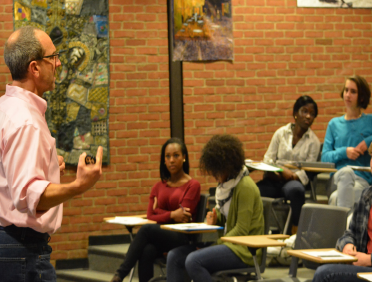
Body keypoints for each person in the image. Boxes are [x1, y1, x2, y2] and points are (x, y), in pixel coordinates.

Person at [0, 26, 103, 282]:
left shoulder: (6, 107)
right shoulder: (27, 121)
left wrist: (48, 166)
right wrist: (79, 185)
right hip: (22, 250)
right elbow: (31, 196)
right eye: (53, 56)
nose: (58, 63)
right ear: (34, 68)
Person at [166, 134, 264, 282]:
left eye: (217, 171)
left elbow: (241, 230)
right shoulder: (226, 186)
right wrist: (216, 218)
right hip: (230, 245)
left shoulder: (245, 187)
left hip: (245, 250)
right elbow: (225, 219)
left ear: (227, 166)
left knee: (193, 260)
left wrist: (214, 245)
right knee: (174, 256)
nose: (214, 175)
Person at [111, 138, 201, 282]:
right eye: (167, 156)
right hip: (162, 237)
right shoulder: (158, 187)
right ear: (163, 160)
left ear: (184, 157)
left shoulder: (193, 185)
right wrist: (172, 214)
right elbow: (150, 215)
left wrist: (159, 211)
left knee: (146, 229)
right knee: (147, 250)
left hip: (181, 237)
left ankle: (120, 275)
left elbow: (183, 217)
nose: (171, 160)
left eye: (176, 155)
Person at [256, 95, 320, 234]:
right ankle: (256, 230)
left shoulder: (313, 142)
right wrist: (280, 171)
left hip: (294, 181)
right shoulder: (281, 133)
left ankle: (295, 233)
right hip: (274, 178)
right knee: (255, 191)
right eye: (305, 111)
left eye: (312, 114)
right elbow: (268, 159)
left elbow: (307, 171)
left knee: (296, 190)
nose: (308, 116)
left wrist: (290, 176)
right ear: (295, 114)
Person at [312, 145, 372, 282]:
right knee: (325, 269)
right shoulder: (367, 196)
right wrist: (347, 245)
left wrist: (369, 259)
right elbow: (349, 233)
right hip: (362, 266)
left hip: (367, 264)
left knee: (325, 274)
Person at [322, 75, 372, 209]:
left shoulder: (370, 121)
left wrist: (368, 141)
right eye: (346, 90)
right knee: (346, 172)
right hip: (337, 179)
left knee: (335, 199)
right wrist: (345, 152)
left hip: (361, 180)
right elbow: (324, 158)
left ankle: (340, 228)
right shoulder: (334, 124)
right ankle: (349, 229)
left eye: (353, 92)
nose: (348, 95)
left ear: (361, 97)